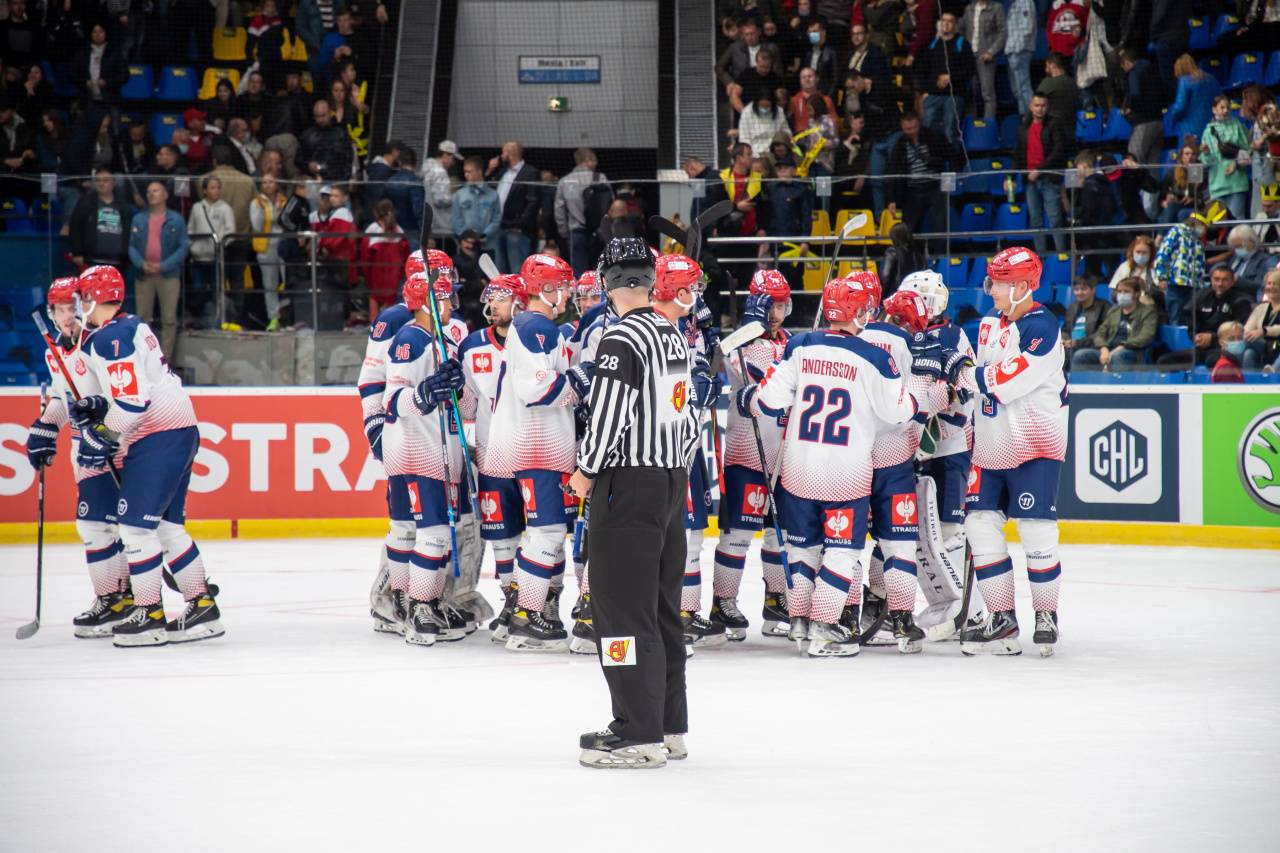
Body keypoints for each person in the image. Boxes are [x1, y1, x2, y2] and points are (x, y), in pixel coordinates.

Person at [565, 238, 701, 769]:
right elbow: (690, 415)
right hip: (670, 483)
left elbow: (610, 415)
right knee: (663, 609)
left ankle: (635, 731)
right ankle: (668, 725)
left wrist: (585, 471)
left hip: (626, 485)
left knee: (620, 610)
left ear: (607, 282)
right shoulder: (670, 332)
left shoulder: (620, 338)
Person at [735, 272, 921, 656]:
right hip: (846, 474)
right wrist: (918, 394)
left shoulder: (800, 345)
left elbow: (768, 402)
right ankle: (825, 627)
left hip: (797, 470)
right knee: (841, 552)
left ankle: (800, 624)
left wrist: (747, 396)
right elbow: (899, 411)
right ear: (855, 312)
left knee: (802, 551)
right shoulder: (875, 356)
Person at [71, 265, 223, 647]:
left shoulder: (110, 339)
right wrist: (96, 403)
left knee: (136, 529)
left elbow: (132, 402)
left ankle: (150, 613)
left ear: (92, 299)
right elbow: (134, 387)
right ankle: (202, 607)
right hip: (180, 430)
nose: (78, 305)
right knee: (168, 528)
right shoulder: (130, 326)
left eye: (82, 298)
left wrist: (103, 432)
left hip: (158, 436)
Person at [950, 248, 1067, 657]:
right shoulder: (987, 325)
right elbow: (975, 384)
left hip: (1035, 446)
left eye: (998, 283)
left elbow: (1005, 380)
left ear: (1020, 286)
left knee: (1036, 530)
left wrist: (964, 373)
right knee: (980, 526)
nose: (991, 290)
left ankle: (1046, 615)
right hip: (989, 447)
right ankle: (1001, 618)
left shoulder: (1043, 328)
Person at [482, 253, 579, 650]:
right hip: (537, 445)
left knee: (545, 531)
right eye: (564, 284)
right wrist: (580, 384)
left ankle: (524, 611)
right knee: (547, 531)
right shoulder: (536, 326)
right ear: (548, 289)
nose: (570, 292)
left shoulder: (534, 325)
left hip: (538, 444)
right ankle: (527, 616)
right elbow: (536, 387)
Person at [24, 278, 131, 638]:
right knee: (99, 526)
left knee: (108, 526)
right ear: (51, 313)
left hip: (111, 445)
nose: (68, 315)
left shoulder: (95, 343)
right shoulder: (53, 350)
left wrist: (101, 415)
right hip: (82, 449)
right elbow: (61, 397)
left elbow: (120, 396)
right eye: (60, 309)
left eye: (73, 307)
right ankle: (117, 598)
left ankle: (118, 598)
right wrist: (45, 427)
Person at [379, 269, 470, 646]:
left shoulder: (438, 339)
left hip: (431, 446)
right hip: (418, 450)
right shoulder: (411, 339)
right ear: (429, 303)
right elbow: (394, 400)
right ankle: (419, 607)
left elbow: (457, 402)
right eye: (446, 297)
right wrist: (428, 392)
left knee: (419, 532)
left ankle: (408, 602)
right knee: (432, 533)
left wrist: (454, 387)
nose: (452, 304)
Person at [897, 271, 986, 636]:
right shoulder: (910, 337)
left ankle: (970, 613)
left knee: (950, 531)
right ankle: (948, 607)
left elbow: (961, 388)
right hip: (920, 446)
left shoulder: (949, 335)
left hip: (950, 447)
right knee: (924, 532)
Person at [713, 270, 792, 640]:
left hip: (785, 458)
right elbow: (765, 384)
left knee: (780, 535)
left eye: (782, 304)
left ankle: (776, 600)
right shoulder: (739, 344)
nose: (777, 313)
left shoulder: (791, 342)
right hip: (747, 453)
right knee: (739, 534)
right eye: (771, 304)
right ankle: (722, 601)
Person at [456, 274, 531, 642]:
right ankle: (512, 601)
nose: (492, 306)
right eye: (491, 299)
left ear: (519, 303)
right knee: (503, 539)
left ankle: (538, 604)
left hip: (536, 454)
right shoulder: (471, 347)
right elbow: (468, 403)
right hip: (493, 458)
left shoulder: (539, 339)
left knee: (540, 537)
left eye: (500, 299)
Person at [127, 181, 189, 358]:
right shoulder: (139, 219)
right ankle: (144, 357)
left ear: (165, 195)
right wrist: (141, 264)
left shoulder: (176, 219)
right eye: (148, 191)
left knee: (169, 319)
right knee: (142, 319)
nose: (151, 194)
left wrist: (163, 265)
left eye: (155, 190)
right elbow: (131, 246)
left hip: (168, 275)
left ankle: (166, 358)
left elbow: (183, 247)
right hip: (144, 275)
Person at [1157, 263, 1255, 369]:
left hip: (1224, 348)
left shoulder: (1241, 300)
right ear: (1211, 280)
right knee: (1165, 360)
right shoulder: (1202, 296)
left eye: (1225, 280)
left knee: (1211, 360)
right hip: (1201, 348)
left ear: (1232, 282)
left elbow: (1240, 331)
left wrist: (1212, 338)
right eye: (1216, 279)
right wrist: (1196, 336)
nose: (1220, 283)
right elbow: (1190, 319)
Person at [886, 112, 958, 240]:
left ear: (919, 124)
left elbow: (953, 156)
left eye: (914, 127)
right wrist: (892, 199)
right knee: (908, 229)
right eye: (908, 129)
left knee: (940, 226)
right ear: (902, 127)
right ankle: (910, 257)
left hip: (935, 187)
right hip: (912, 191)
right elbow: (893, 171)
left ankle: (940, 257)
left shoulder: (934, 137)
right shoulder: (899, 146)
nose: (912, 131)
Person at [1017, 94, 1069, 256]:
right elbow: (1018, 154)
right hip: (1030, 181)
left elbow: (1058, 152)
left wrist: (1039, 169)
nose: (1040, 109)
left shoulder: (1055, 124)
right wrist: (1010, 177)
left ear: (1047, 107)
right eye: (1037, 105)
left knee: (1055, 218)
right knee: (1035, 220)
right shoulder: (1024, 126)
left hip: (1049, 178)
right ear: (1031, 107)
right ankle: (1040, 257)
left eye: (1043, 105)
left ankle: (1061, 255)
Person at [1070, 277, 1158, 370]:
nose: (1122, 295)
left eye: (1126, 292)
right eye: (1119, 291)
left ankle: (1118, 383)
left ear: (1136, 294)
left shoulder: (1148, 312)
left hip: (1131, 351)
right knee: (1081, 355)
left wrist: (1122, 346)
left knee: (1118, 356)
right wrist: (1104, 349)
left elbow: (1146, 336)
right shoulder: (1114, 311)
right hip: (1108, 350)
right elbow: (1100, 333)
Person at [914, 12, 974, 144]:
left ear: (955, 25)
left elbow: (970, 70)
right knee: (926, 127)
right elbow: (922, 70)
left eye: (950, 21)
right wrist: (925, 91)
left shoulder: (962, 44)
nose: (945, 24)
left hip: (955, 94)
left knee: (949, 131)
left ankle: (954, 163)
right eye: (943, 20)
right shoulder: (933, 45)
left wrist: (950, 77)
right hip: (934, 93)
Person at [186, 175, 234, 328]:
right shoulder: (197, 207)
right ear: (205, 190)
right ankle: (200, 319)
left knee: (216, 290)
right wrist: (193, 247)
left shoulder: (225, 208)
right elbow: (191, 228)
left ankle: (217, 320)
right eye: (212, 188)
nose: (216, 191)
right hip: (199, 257)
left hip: (216, 257)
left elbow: (230, 230)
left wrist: (218, 243)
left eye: (218, 188)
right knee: (199, 290)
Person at [487, 141, 541, 274]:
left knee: (517, 270)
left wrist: (520, 224)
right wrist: (490, 170)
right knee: (500, 271)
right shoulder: (502, 173)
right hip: (500, 227)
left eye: (503, 152)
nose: (501, 155)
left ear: (509, 154)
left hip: (517, 230)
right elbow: (488, 189)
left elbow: (533, 201)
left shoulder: (530, 172)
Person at [554, 148, 610, 277]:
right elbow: (609, 204)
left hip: (576, 233)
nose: (596, 163)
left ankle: (580, 296)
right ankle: (599, 297)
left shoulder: (564, 181)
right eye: (594, 160)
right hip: (599, 232)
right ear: (588, 160)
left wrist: (564, 233)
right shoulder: (600, 178)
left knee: (579, 274)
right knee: (599, 272)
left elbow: (559, 210)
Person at [68, 168, 130, 271]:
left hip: (117, 263)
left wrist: (127, 258)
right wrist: (77, 252)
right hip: (91, 261)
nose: (101, 183)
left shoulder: (123, 206)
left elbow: (128, 232)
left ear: (113, 183)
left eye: (105, 180)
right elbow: (75, 228)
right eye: (98, 180)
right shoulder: (85, 203)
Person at [1200, 97, 1252, 222]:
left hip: (1237, 183)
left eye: (1227, 107)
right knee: (1218, 223)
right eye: (1222, 108)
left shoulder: (1237, 126)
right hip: (1217, 186)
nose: (1225, 111)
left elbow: (1249, 150)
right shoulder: (1207, 132)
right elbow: (1206, 162)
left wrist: (1236, 163)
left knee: (1237, 220)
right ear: (1214, 109)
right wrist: (1206, 153)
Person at [1154, 211, 1210, 325]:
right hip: (1177, 281)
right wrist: (1162, 276)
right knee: (1176, 315)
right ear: (1197, 223)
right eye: (1204, 227)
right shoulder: (1177, 231)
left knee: (1190, 317)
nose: (1205, 231)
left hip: (1194, 284)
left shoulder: (1198, 241)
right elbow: (1163, 254)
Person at [249, 173, 289, 330]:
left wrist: (279, 210)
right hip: (266, 246)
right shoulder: (256, 203)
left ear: (277, 183)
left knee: (288, 281)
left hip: (283, 245)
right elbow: (257, 226)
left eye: (271, 182)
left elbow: (288, 222)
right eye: (264, 182)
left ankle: (288, 315)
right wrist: (266, 211)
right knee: (269, 284)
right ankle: (273, 318)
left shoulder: (285, 201)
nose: (267, 185)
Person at [360, 198, 409, 321]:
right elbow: (405, 253)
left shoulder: (372, 228)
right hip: (394, 270)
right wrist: (402, 273)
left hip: (377, 269)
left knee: (375, 297)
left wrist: (365, 273)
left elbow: (365, 254)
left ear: (376, 213)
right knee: (390, 299)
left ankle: (374, 326)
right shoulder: (399, 229)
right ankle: (388, 325)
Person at [959, 0, 1006, 121]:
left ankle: (989, 123)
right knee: (971, 91)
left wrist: (991, 51)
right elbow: (961, 29)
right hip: (969, 56)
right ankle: (972, 123)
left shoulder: (996, 7)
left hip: (985, 56)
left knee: (987, 93)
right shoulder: (969, 8)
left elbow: (1003, 32)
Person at [1119, 49, 1165, 166]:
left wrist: (1130, 108)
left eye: (1123, 67)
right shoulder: (1154, 70)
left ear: (1127, 62)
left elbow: (1135, 93)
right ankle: (1153, 185)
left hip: (1143, 122)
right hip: (1159, 122)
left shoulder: (1134, 73)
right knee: (1153, 164)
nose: (1124, 70)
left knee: (1133, 161)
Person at [1167, 55, 1220, 146]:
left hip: (1190, 130)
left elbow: (1180, 107)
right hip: (1212, 128)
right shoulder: (1212, 79)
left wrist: (1172, 114)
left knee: (1191, 157)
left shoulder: (1184, 81)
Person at [296, 99, 353, 182]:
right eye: (317, 116)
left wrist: (345, 180)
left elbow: (349, 159)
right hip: (314, 179)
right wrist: (308, 165)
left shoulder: (341, 133)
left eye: (323, 116)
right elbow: (298, 159)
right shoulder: (307, 135)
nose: (320, 120)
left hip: (337, 180)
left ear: (330, 113)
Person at [453, 154, 501, 251]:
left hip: (488, 244)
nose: (466, 174)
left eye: (469, 171)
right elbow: (456, 219)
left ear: (479, 171)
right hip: (466, 245)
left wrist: (485, 235)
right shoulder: (460, 194)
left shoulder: (493, 195)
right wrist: (466, 237)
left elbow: (496, 219)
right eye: (465, 172)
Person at [1035, 53, 1080, 141]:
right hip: (1071, 132)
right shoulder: (1073, 83)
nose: (1045, 69)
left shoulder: (1048, 83)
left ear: (1052, 65)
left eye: (1046, 65)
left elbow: (1035, 102)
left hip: (1052, 134)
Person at [1060, 276, 1108, 359]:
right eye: (1076, 289)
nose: (1079, 292)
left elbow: (1101, 334)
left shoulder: (1104, 307)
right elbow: (1065, 330)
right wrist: (1063, 339)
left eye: (1083, 289)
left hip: (1091, 347)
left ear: (1093, 290)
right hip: (1071, 345)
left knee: (1079, 354)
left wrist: (1077, 343)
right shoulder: (1072, 307)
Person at [1243, 269, 1280, 371]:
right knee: (1249, 353)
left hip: (1278, 345)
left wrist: (1264, 331)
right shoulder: (1261, 308)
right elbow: (1247, 330)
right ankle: (1248, 383)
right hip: (1265, 346)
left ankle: (1272, 373)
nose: (1271, 287)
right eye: (1269, 283)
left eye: (1276, 284)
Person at [1004, 0, 1036, 115]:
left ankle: (1032, 119)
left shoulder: (1025, 2)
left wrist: (1017, 49)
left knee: (1023, 87)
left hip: (1020, 51)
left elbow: (1027, 27)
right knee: (1017, 89)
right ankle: (1024, 117)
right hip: (1012, 51)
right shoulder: (1014, 3)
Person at [737, 95, 789, 160]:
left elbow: (786, 132)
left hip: (775, 152)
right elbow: (744, 138)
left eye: (768, 106)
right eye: (762, 105)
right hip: (754, 153)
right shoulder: (747, 112)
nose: (765, 108)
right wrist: (752, 154)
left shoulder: (779, 111)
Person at [879, 222, 924, 295]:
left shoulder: (892, 252)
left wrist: (882, 295)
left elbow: (885, 276)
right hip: (915, 294)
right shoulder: (917, 252)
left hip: (896, 295)